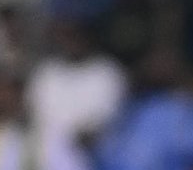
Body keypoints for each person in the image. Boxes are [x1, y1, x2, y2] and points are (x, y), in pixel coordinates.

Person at [25, 18, 127, 146]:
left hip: (98, 147)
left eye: (76, 35)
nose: (71, 41)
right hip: (50, 147)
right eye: (66, 36)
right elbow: (34, 114)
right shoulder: (46, 72)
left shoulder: (108, 72)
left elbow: (110, 119)